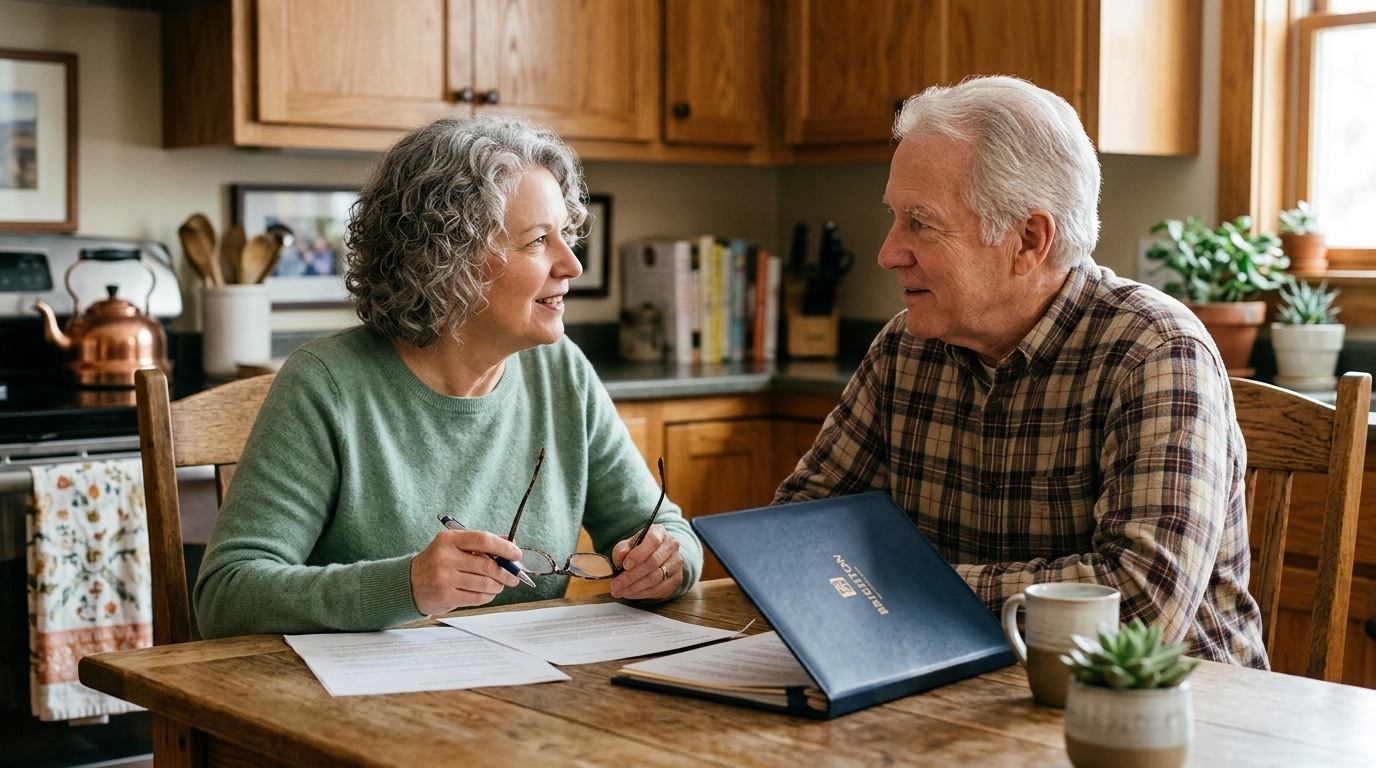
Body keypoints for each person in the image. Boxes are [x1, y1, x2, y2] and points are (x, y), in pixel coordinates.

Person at [774, 76, 1267, 668]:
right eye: (895, 217)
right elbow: (792, 536)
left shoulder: (1155, 351)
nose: (888, 251)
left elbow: (1141, 607)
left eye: (921, 223)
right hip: (956, 692)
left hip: (1165, 721)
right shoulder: (903, 349)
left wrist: (905, 588)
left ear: (1028, 238)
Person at [194, 116, 702, 638]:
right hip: (357, 706)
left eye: (566, 236)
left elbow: (664, 530)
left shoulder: (560, 370)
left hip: (527, 697)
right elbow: (226, 595)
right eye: (537, 241)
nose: (571, 265)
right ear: (448, 259)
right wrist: (406, 585)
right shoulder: (326, 386)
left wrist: (666, 564)